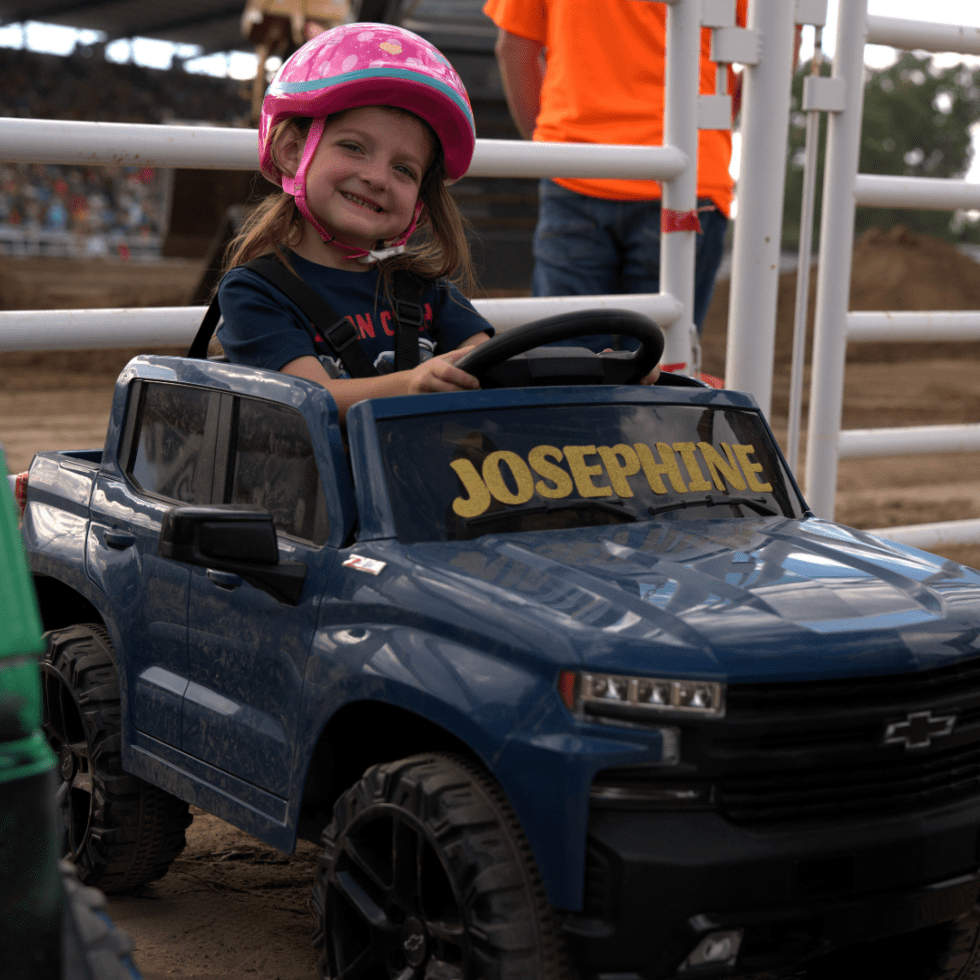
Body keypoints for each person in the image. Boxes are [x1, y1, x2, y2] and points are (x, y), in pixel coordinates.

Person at [215, 23, 494, 423]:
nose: (378, 178)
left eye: (403, 169)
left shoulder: (429, 294)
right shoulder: (255, 293)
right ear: (293, 152)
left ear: (419, 200)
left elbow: (491, 364)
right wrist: (410, 384)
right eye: (353, 147)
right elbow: (307, 401)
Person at [483, 0, 748, 350]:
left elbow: (513, 48)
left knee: (564, 369)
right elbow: (774, 48)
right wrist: (712, 125)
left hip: (576, 166)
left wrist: (549, 155)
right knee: (660, 373)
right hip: (686, 174)